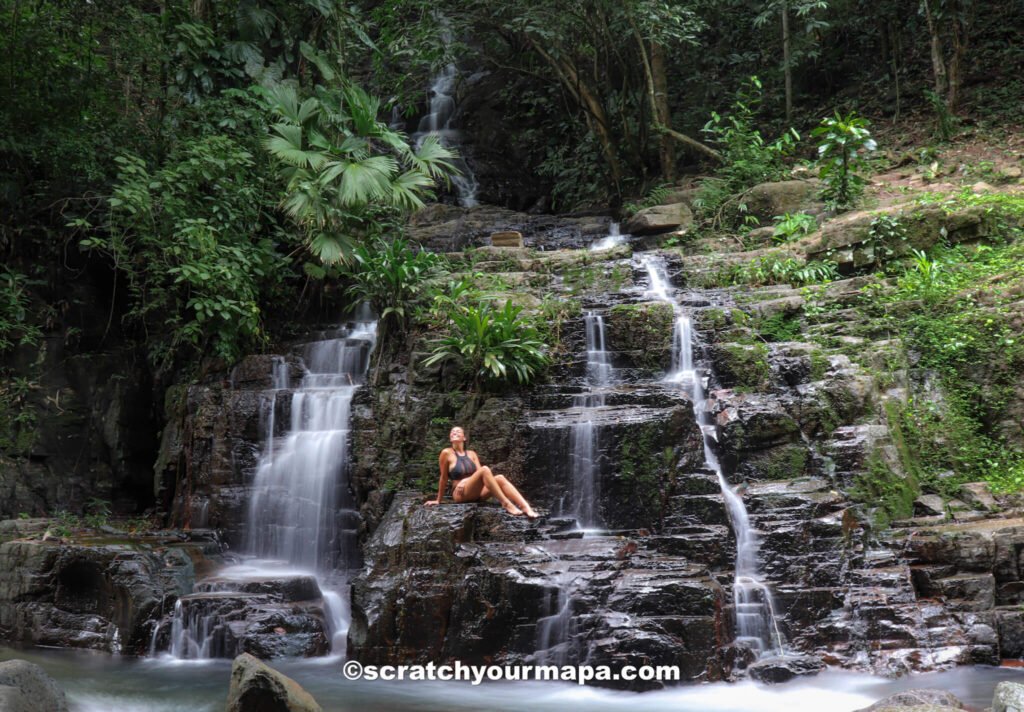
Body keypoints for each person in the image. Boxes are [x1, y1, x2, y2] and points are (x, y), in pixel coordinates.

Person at [425, 426, 539, 519]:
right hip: (460, 494)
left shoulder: (472, 454)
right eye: (452, 432)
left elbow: (480, 474)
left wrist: (466, 480)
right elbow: (443, 478)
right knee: (485, 469)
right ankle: (506, 503)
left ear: (464, 438)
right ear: (450, 438)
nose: (454, 432)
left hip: (477, 493)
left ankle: (526, 507)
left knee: (499, 477)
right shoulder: (446, 453)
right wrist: (438, 500)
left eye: (458, 431)